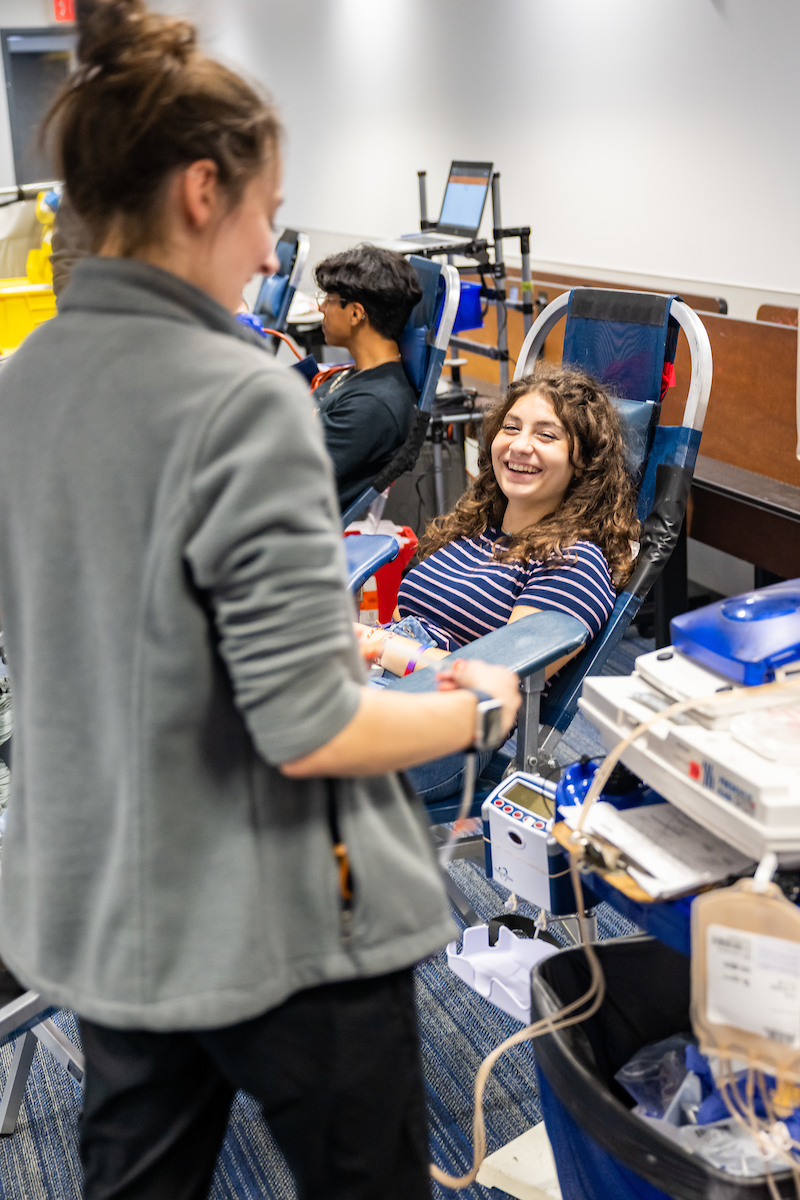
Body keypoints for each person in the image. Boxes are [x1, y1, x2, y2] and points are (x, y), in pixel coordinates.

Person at [0, 3, 520, 1198]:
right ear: (200, 191)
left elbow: (120, 610)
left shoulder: (26, 385)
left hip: (109, 898)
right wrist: (476, 707)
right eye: (270, 214)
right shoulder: (243, 401)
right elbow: (313, 729)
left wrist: (306, 625)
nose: (266, 250)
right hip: (281, 910)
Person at [357, 364, 641, 801]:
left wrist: (379, 647)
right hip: (386, 680)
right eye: (511, 427)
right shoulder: (474, 529)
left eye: (547, 436)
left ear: (583, 463)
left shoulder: (573, 561)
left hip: (445, 729)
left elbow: (495, 683)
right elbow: (404, 616)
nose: (520, 445)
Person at [312, 244, 422, 511]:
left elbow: (280, 474)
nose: (321, 308)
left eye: (329, 299)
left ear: (356, 314)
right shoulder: (362, 376)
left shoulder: (373, 405)